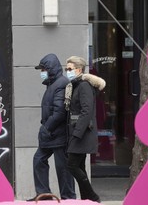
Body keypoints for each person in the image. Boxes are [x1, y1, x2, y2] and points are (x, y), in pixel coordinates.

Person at [27, 53, 76, 201]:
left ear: (51, 69)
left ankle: (68, 198)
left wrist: (46, 128)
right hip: (50, 134)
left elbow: (59, 112)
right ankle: (44, 194)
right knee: (39, 160)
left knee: (63, 168)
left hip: (57, 134)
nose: (41, 73)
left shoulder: (61, 83)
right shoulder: (52, 84)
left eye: (43, 70)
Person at [64, 56, 106, 202]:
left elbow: (86, 111)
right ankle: (86, 199)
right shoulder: (76, 85)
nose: (67, 71)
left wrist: (77, 133)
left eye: (70, 69)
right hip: (78, 132)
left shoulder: (83, 86)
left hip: (81, 133)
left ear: (79, 69)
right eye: (66, 69)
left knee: (72, 165)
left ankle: (93, 196)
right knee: (79, 165)